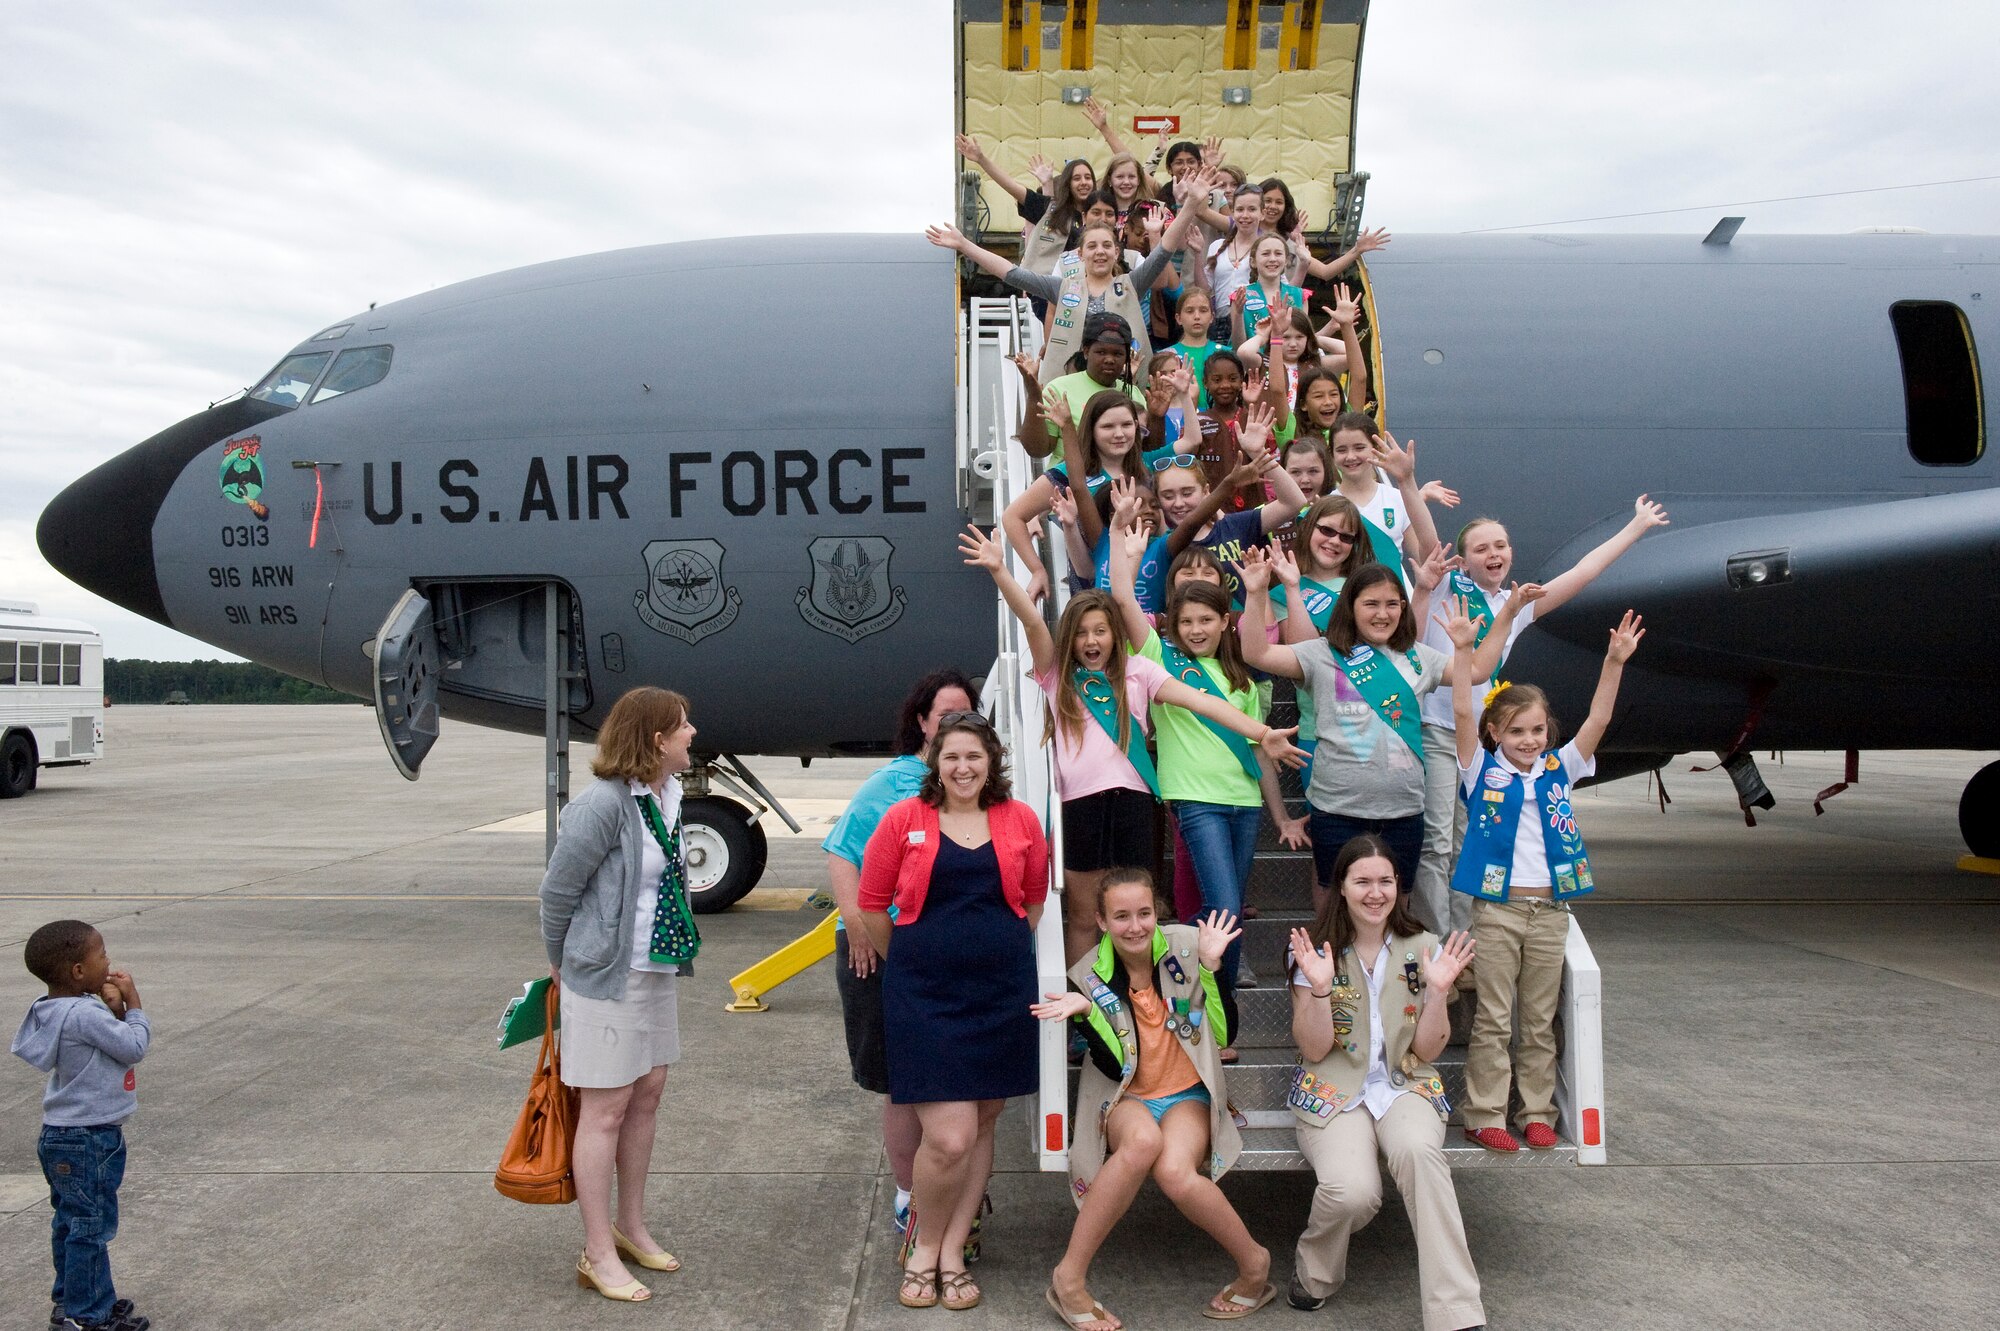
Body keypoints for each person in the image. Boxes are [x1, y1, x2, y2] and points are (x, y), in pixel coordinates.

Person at [962, 525, 1305, 965]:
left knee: (1136, 916)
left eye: (1101, 631)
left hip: (1135, 806)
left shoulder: (1140, 672)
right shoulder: (1057, 676)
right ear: (1070, 638)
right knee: (1086, 916)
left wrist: (1261, 733)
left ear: (1115, 635)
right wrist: (998, 570)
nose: (1091, 641)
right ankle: (1087, 1014)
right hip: (1081, 807)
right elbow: (1031, 618)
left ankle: (1136, 1004)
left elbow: (1201, 702)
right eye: (1082, 632)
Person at [855, 711, 1049, 1311]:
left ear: (992, 762)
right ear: (934, 764)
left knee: (984, 1117)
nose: (963, 768)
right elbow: (870, 902)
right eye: (951, 757)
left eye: (974, 756)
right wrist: (914, 964)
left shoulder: (1019, 819)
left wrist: (997, 956)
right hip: (924, 997)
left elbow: (1034, 900)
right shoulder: (905, 818)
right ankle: (922, 1246)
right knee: (950, 1135)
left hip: (1000, 992)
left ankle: (952, 1248)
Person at [1412, 497, 1669, 936]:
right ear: (1464, 558)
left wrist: (1637, 526)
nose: (1494, 554)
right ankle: (1439, 941)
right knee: (1436, 845)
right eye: (1481, 548)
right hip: (1437, 730)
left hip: (1481, 742)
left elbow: (1584, 573)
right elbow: (1422, 537)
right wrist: (1408, 484)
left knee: (1467, 841)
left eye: (1501, 546)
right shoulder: (1444, 587)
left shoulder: (1516, 606)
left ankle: (1464, 934)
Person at [1035, 872, 1275, 1327]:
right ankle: (1068, 1280)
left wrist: (1210, 969)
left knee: (1176, 1173)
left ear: (1157, 911)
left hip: (1186, 1094)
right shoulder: (1088, 974)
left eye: (1144, 913)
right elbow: (1112, 1066)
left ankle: (1255, 1264)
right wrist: (1087, 1014)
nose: (1135, 926)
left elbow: (1223, 1036)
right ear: (1102, 921)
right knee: (1142, 1144)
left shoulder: (1187, 945)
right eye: (1121, 916)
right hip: (1126, 1096)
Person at [1447, 600, 1644, 1153]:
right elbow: (1461, 713)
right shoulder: (1479, 767)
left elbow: (1599, 720)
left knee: (1537, 1021)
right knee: (1493, 1018)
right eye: (1516, 731)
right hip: (1498, 911)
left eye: (1537, 729)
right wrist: (1463, 652)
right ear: (1495, 732)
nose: (1530, 740)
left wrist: (1614, 663)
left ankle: (1535, 1111)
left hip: (1550, 912)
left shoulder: (1563, 766)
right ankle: (1483, 1112)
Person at [1283, 837, 1485, 1330]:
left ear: (1400, 887)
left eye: (1386, 881)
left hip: (1406, 1083)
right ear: (1342, 888)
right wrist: (1320, 988)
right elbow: (1313, 1049)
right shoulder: (1314, 950)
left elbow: (1431, 1048)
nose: (1376, 893)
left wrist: (1438, 994)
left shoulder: (1424, 947)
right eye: (1363, 882)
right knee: (1353, 1192)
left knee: (1420, 1156)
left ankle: (1455, 1310)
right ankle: (1315, 1271)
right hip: (1333, 1089)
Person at [538, 686, 699, 1302]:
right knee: (604, 1109)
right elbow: (556, 895)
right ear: (657, 739)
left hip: (653, 970)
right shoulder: (603, 805)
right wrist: (562, 965)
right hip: (604, 975)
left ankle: (631, 1227)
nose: (692, 733)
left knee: (648, 1093)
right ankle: (596, 1251)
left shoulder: (666, 795)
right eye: (683, 726)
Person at [1110, 522, 1307, 1013]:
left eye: (1205, 620)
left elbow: (1259, 752)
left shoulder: (1240, 675)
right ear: (1173, 628)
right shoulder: (1159, 658)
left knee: (1226, 912)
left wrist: (1280, 816)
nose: (1195, 630)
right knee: (1222, 908)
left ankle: (1205, 1009)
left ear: (1225, 622)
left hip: (1243, 803)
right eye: (1186, 622)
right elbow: (1121, 600)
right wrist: (1126, 553)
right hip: (1196, 802)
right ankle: (1212, 1011)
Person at [1238, 562, 1510, 909]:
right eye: (1371, 604)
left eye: (1392, 604)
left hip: (1404, 808)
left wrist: (1506, 615)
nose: (1383, 614)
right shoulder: (1320, 653)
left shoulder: (1419, 658)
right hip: (1336, 807)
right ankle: (1332, 963)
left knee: (1398, 901)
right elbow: (1256, 653)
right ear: (1350, 606)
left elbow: (1475, 671)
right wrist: (1257, 592)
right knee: (1332, 897)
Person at [823, 669, 980, 1238]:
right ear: (921, 721)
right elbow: (842, 853)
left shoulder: (971, 783)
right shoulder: (893, 783)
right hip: (880, 949)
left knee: (949, 1084)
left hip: (939, 956)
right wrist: (857, 925)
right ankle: (909, 1194)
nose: (954, 725)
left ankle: (946, 1189)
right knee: (899, 1080)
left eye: (966, 715)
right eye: (944, 715)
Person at [927, 173, 1214, 389]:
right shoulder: (1062, 287)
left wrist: (1189, 206)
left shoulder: (1131, 282)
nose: (1100, 251)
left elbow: (1164, 251)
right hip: (1073, 385)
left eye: (1106, 246)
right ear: (1080, 253)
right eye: (1092, 246)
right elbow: (1012, 274)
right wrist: (965, 245)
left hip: (1124, 385)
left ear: (1117, 252)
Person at [13, 921, 152, 1331]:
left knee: (71, 1223)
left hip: (61, 1134)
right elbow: (133, 1046)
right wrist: (133, 1003)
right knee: (91, 1227)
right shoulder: (84, 1012)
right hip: (90, 1137)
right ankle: (86, 1316)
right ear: (78, 971)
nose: (108, 961)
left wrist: (111, 1011)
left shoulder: (51, 1009)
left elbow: (97, 1042)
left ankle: (75, 1298)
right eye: (102, 954)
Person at [1327, 412, 1443, 584]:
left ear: (1376, 449)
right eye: (1341, 450)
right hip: (1345, 602)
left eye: (1359, 448)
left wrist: (1407, 479)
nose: (1350, 456)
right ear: (1332, 454)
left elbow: (1427, 558)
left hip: (1393, 602)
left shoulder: (1396, 498)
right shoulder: (1327, 507)